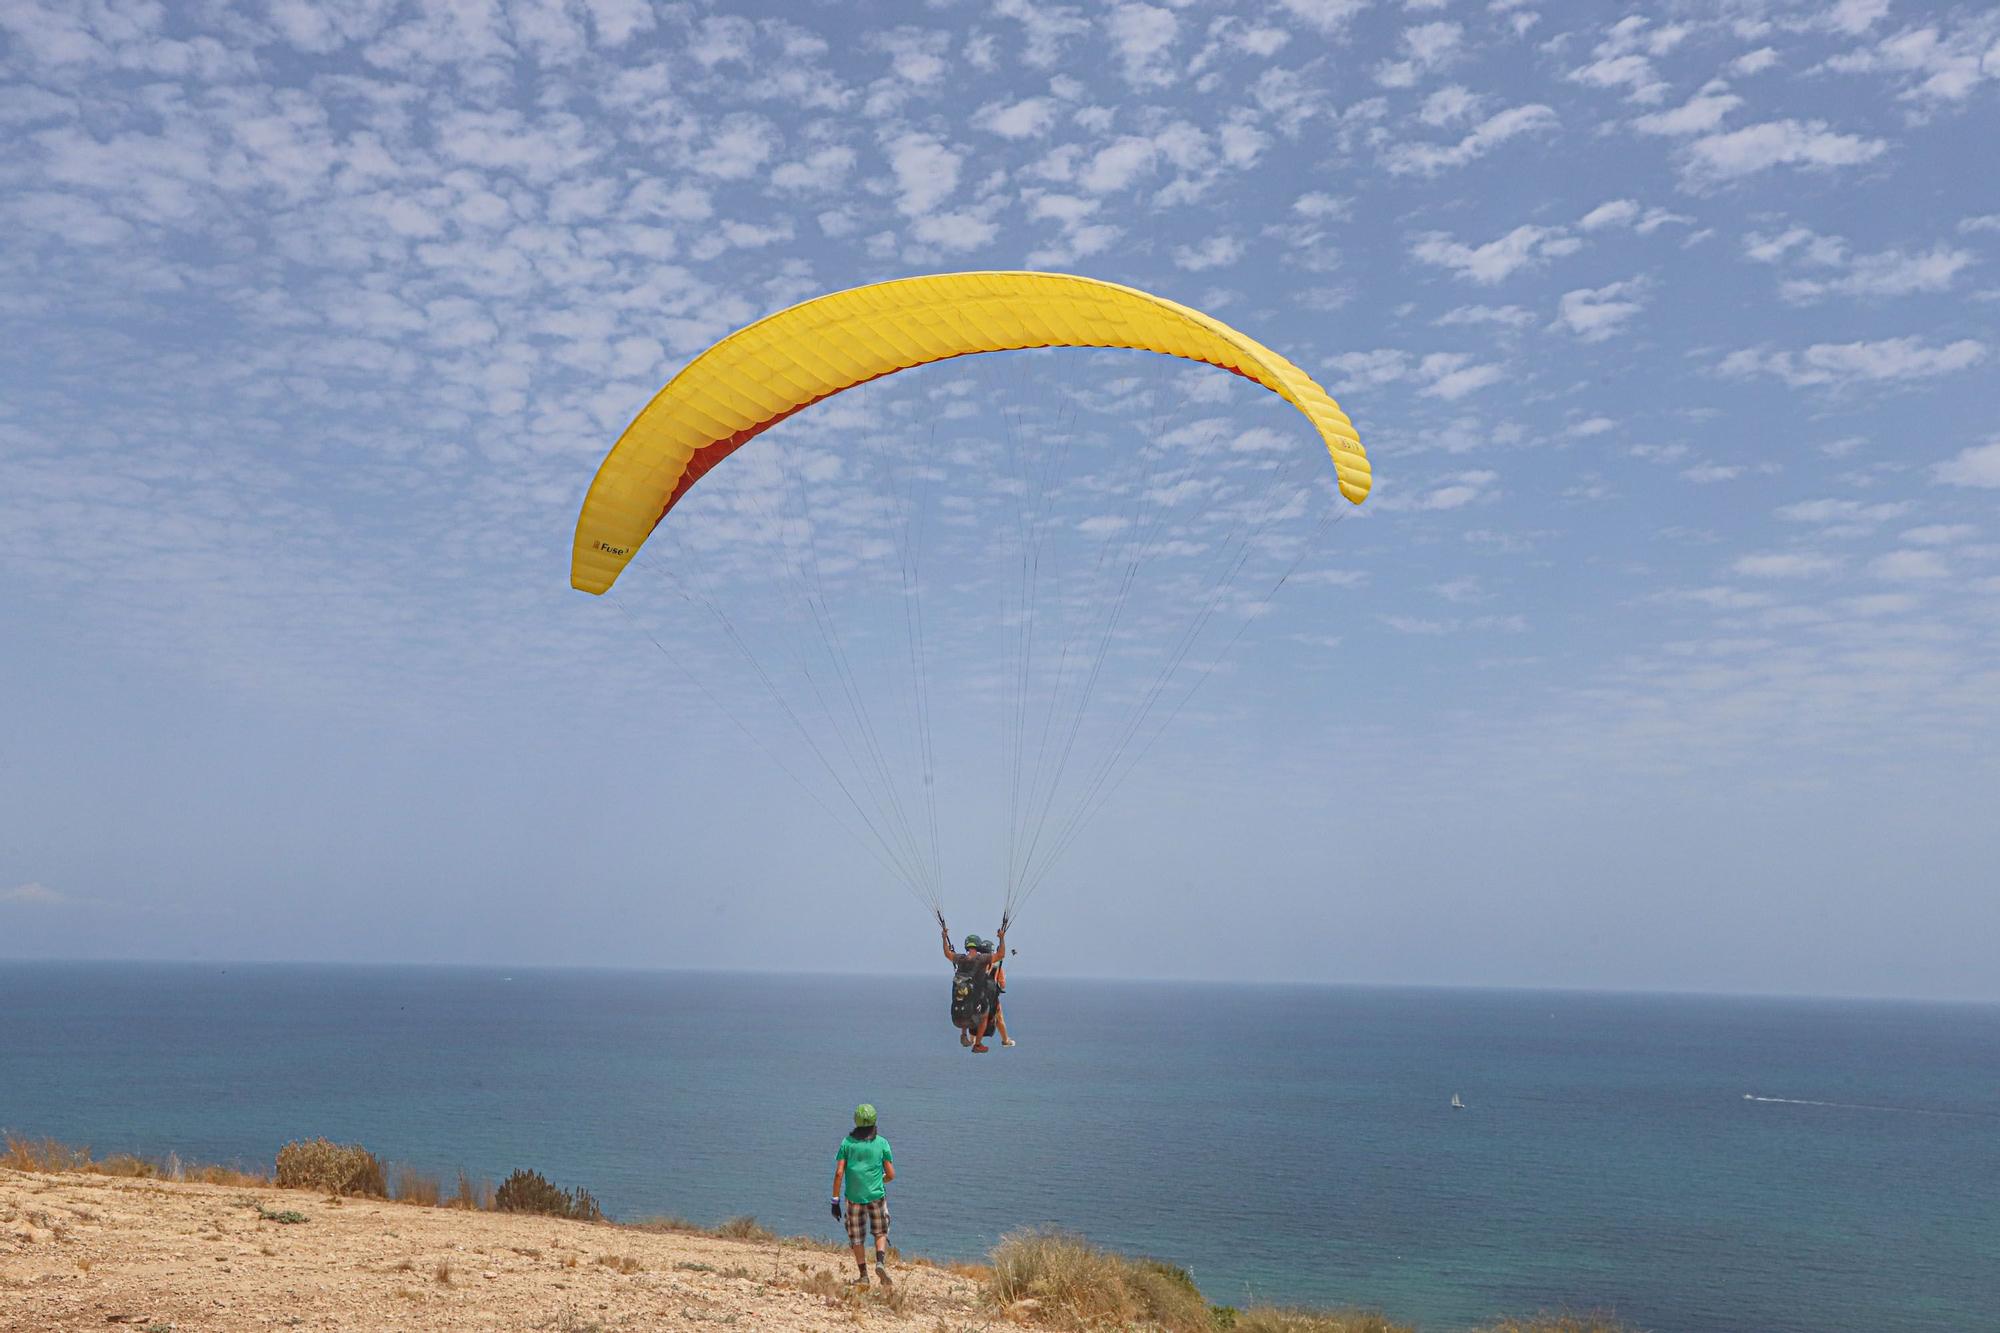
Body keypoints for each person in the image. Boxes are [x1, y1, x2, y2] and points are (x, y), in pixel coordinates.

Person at [831, 1102, 894, 1287]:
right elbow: (891, 1174)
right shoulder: (882, 1143)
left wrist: (835, 1201)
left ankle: (864, 1275)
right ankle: (880, 1262)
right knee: (880, 1231)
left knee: (857, 1236)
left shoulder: (847, 1143)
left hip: (854, 1198)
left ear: (856, 1121)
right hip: (876, 1196)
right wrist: (878, 1181)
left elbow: (839, 1173)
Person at [939, 918, 1013, 1052]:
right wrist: (1001, 938)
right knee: (984, 1015)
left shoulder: (960, 958)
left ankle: (963, 1034)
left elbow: (947, 953)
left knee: (965, 998)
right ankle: (977, 1044)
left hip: (958, 1014)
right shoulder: (982, 959)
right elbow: (1001, 954)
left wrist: (944, 938)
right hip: (976, 1004)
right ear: (978, 946)